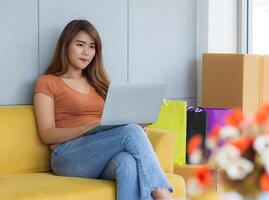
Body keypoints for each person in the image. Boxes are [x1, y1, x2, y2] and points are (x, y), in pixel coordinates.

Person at [33, 19, 173, 200]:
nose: (86, 52)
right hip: (68, 155)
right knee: (131, 131)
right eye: (80, 45)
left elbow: (114, 120)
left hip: (100, 152)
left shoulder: (99, 83)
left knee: (127, 163)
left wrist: (137, 123)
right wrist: (87, 129)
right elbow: (47, 134)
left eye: (92, 47)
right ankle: (164, 196)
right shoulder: (47, 82)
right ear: (66, 45)